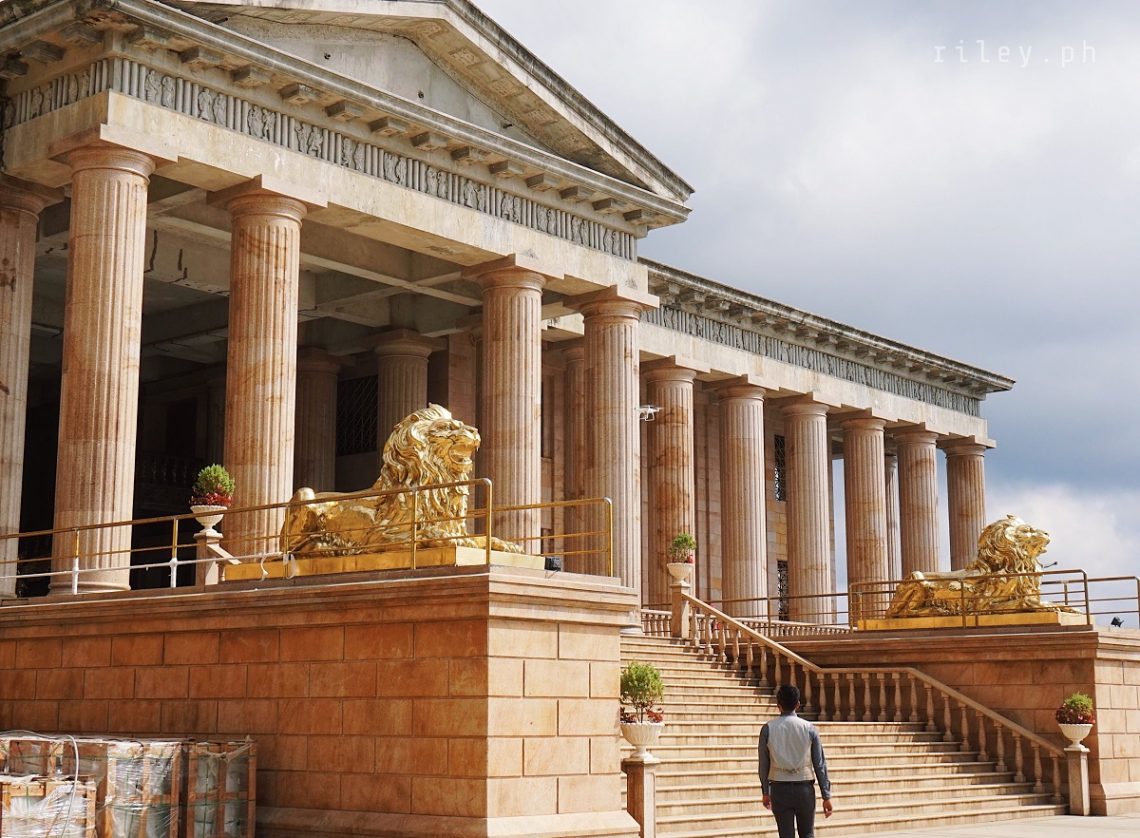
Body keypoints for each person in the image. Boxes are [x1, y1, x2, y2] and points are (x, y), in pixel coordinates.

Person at [758, 683, 833, 838]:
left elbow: (764, 764)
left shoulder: (768, 729)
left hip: (779, 788)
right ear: (798, 704)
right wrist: (826, 795)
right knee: (807, 834)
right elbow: (820, 764)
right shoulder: (810, 728)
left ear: (778, 705)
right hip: (804, 788)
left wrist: (765, 792)